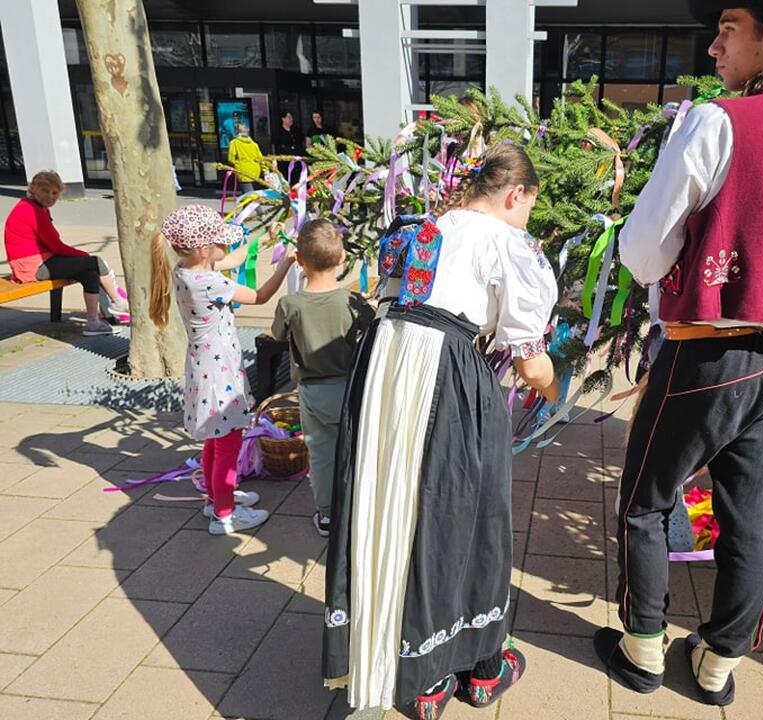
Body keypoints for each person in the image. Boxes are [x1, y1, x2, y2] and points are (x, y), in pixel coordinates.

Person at [593, 0, 763, 707]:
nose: (714, 47)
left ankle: (643, 645)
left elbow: (644, 252)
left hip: (706, 354)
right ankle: (719, 660)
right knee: (746, 513)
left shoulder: (717, 120)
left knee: (645, 502)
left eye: (727, 30)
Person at [323, 145, 560, 719]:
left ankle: (409, 665)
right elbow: (530, 363)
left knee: (389, 506)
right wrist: (554, 392)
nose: (527, 217)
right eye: (529, 205)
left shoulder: (421, 228)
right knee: (466, 513)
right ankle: (473, 668)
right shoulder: (507, 242)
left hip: (383, 364)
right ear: (516, 193)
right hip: (445, 371)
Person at [149, 204, 296, 535]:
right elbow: (259, 296)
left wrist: (263, 240)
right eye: (221, 241)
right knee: (228, 444)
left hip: (205, 368)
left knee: (215, 440)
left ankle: (216, 498)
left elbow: (232, 259)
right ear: (204, 249)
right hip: (219, 375)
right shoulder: (209, 282)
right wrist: (286, 264)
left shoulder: (187, 269)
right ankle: (224, 516)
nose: (227, 247)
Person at [270, 219, 373, 537]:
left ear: (299, 260)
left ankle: (327, 515)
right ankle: (359, 509)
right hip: (349, 387)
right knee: (355, 449)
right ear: (342, 259)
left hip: (312, 390)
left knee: (321, 455)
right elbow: (371, 327)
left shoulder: (290, 304)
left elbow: (277, 335)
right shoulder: (350, 301)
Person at [3, 170, 129, 335]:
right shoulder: (30, 210)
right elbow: (57, 246)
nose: (50, 196)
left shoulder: (37, 207)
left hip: (41, 261)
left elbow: (54, 246)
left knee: (90, 273)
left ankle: (93, 323)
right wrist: (85, 256)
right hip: (32, 267)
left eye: (55, 193)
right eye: (45, 191)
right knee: (93, 262)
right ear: (33, 188)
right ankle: (117, 302)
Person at [227, 124, 264, 194]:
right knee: (251, 193)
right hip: (255, 171)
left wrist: (237, 164)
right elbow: (261, 159)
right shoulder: (254, 144)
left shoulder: (234, 143)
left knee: (249, 195)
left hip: (243, 172)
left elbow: (231, 158)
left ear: (237, 132)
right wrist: (265, 171)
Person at [274, 110, 305, 185]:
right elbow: (276, 147)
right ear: (283, 119)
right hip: (285, 162)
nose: (291, 119)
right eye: (289, 117)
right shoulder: (278, 132)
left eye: (291, 117)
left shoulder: (296, 130)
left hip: (297, 160)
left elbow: (301, 142)